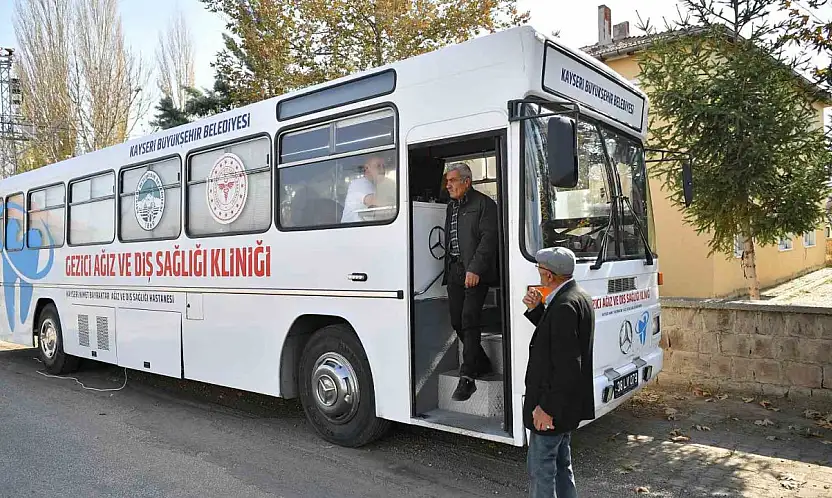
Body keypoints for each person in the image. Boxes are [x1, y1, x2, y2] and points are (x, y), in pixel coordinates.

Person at [522, 246, 595, 498]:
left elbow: (567, 366)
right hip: (567, 407)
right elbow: (557, 339)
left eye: (540, 270)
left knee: (541, 471)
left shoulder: (564, 306)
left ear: (549, 275)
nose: (539, 275)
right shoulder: (577, 296)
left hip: (552, 408)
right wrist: (536, 312)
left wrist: (547, 408)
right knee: (563, 467)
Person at [442, 162, 498, 402]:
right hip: (455, 270)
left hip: (475, 271)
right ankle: (482, 362)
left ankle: (468, 377)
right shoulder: (450, 206)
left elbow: (488, 240)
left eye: (452, 181)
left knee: (469, 319)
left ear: (467, 181)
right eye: (447, 182)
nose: (448, 186)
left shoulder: (485, 204)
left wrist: (475, 268)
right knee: (456, 320)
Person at [341, 155, 395, 223]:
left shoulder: (374, 186)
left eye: (384, 166)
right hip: (352, 231)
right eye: (378, 166)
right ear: (367, 168)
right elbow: (375, 202)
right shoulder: (359, 183)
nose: (382, 170)